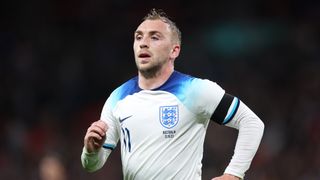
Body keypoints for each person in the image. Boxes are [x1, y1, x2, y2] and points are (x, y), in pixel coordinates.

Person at [81, 8, 264, 180]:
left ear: (174, 50)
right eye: (139, 37)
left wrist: (234, 173)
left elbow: (252, 123)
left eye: (155, 37)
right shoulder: (118, 98)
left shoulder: (195, 90)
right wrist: (90, 151)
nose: (143, 43)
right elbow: (92, 165)